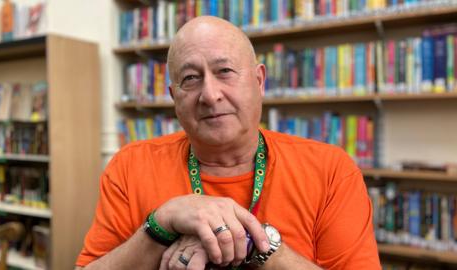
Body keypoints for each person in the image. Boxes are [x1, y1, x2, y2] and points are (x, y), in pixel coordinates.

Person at [76, 16, 380, 270]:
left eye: (225, 71)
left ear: (259, 82)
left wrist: (254, 244)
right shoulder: (131, 166)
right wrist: (161, 224)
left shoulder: (330, 170)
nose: (210, 94)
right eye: (191, 78)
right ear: (174, 98)